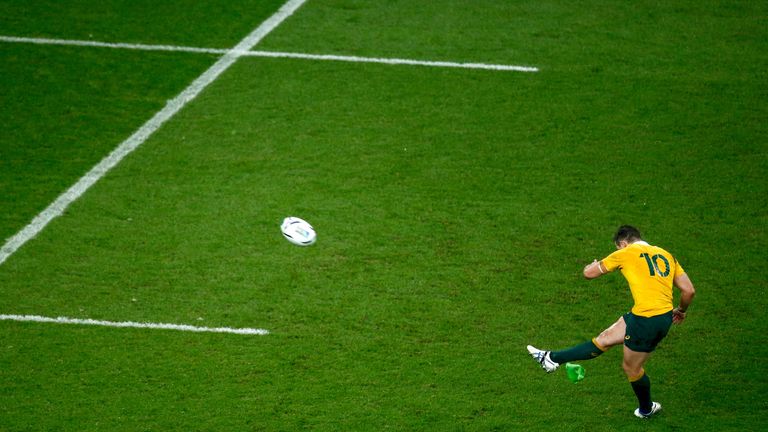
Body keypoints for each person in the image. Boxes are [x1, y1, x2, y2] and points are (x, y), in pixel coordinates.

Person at [526, 225, 696, 418]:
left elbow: (589, 273)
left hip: (646, 320)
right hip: (658, 315)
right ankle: (551, 359)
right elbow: (689, 290)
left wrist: (590, 265)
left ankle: (646, 409)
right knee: (605, 338)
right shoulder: (666, 255)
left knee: (631, 368)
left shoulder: (626, 253)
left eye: (618, 247)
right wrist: (681, 310)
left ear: (623, 243)